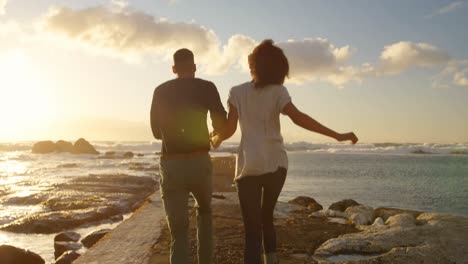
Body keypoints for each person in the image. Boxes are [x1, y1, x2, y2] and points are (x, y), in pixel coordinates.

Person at [212, 40, 358, 264]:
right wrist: (337, 135)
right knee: (266, 218)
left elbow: (230, 129)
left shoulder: (237, 92)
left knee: (252, 229)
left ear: (254, 65)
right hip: (275, 166)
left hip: (248, 167)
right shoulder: (278, 92)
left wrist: (215, 139)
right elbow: (299, 118)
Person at [150, 48, 227, 264]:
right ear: (194, 67)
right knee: (204, 213)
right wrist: (214, 134)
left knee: (179, 232)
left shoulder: (160, 91)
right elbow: (220, 122)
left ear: (174, 69)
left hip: (171, 165)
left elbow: (156, 132)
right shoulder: (207, 87)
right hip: (199, 161)